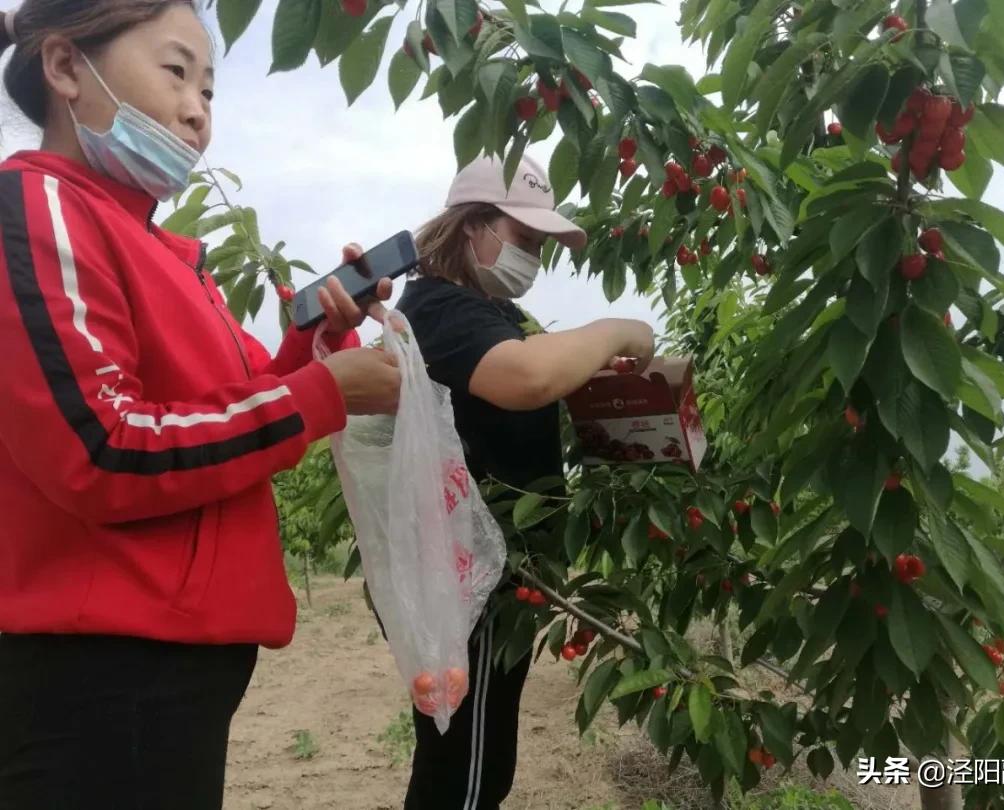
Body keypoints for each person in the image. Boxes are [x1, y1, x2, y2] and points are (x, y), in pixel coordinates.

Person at [0, 3, 399, 809]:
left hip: (166, 672)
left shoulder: (163, 252)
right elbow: (104, 445)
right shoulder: (41, 208)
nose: (197, 110)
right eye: (177, 72)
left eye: (211, 91)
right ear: (66, 68)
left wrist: (316, 345)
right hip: (98, 680)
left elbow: (240, 398)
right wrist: (324, 394)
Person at [393, 152, 655, 809]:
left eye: (541, 246)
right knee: (468, 767)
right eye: (524, 240)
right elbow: (528, 378)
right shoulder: (436, 310)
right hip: (472, 581)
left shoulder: (496, 317)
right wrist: (616, 328)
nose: (533, 259)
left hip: (502, 578)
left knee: (475, 752)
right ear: (471, 227)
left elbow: (543, 383)